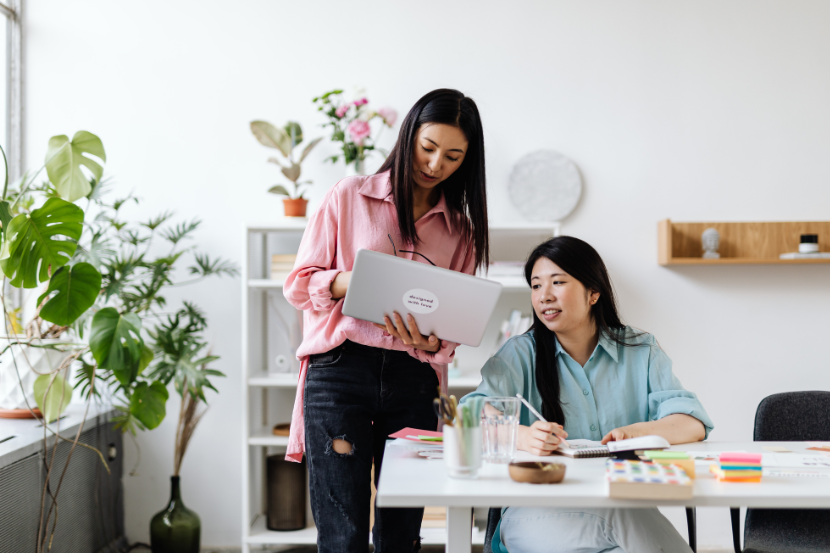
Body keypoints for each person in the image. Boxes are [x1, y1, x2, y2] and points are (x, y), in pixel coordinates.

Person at [283, 88, 489, 553]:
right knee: (343, 534)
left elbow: (452, 330)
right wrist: (352, 283)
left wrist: (432, 341)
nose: (436, 164)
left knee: (400, 537)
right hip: (339, 372)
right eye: (428, 147)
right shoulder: (348, 196)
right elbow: (299, 286)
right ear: (409, 135)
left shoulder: (461, 230)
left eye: (453, 156)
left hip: (413, 380)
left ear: (467, 162)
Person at [461, 236, 713, 553]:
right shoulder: (520, 353)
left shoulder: (640, 349)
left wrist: (637, 432)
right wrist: (522, 436)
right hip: (535, 514)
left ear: (593, 293)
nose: (544, 296)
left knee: (625, 528)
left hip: (620, 504)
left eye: (557, 282)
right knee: (625, 515)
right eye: (536, 286)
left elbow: (692, 422)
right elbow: (471, 413)